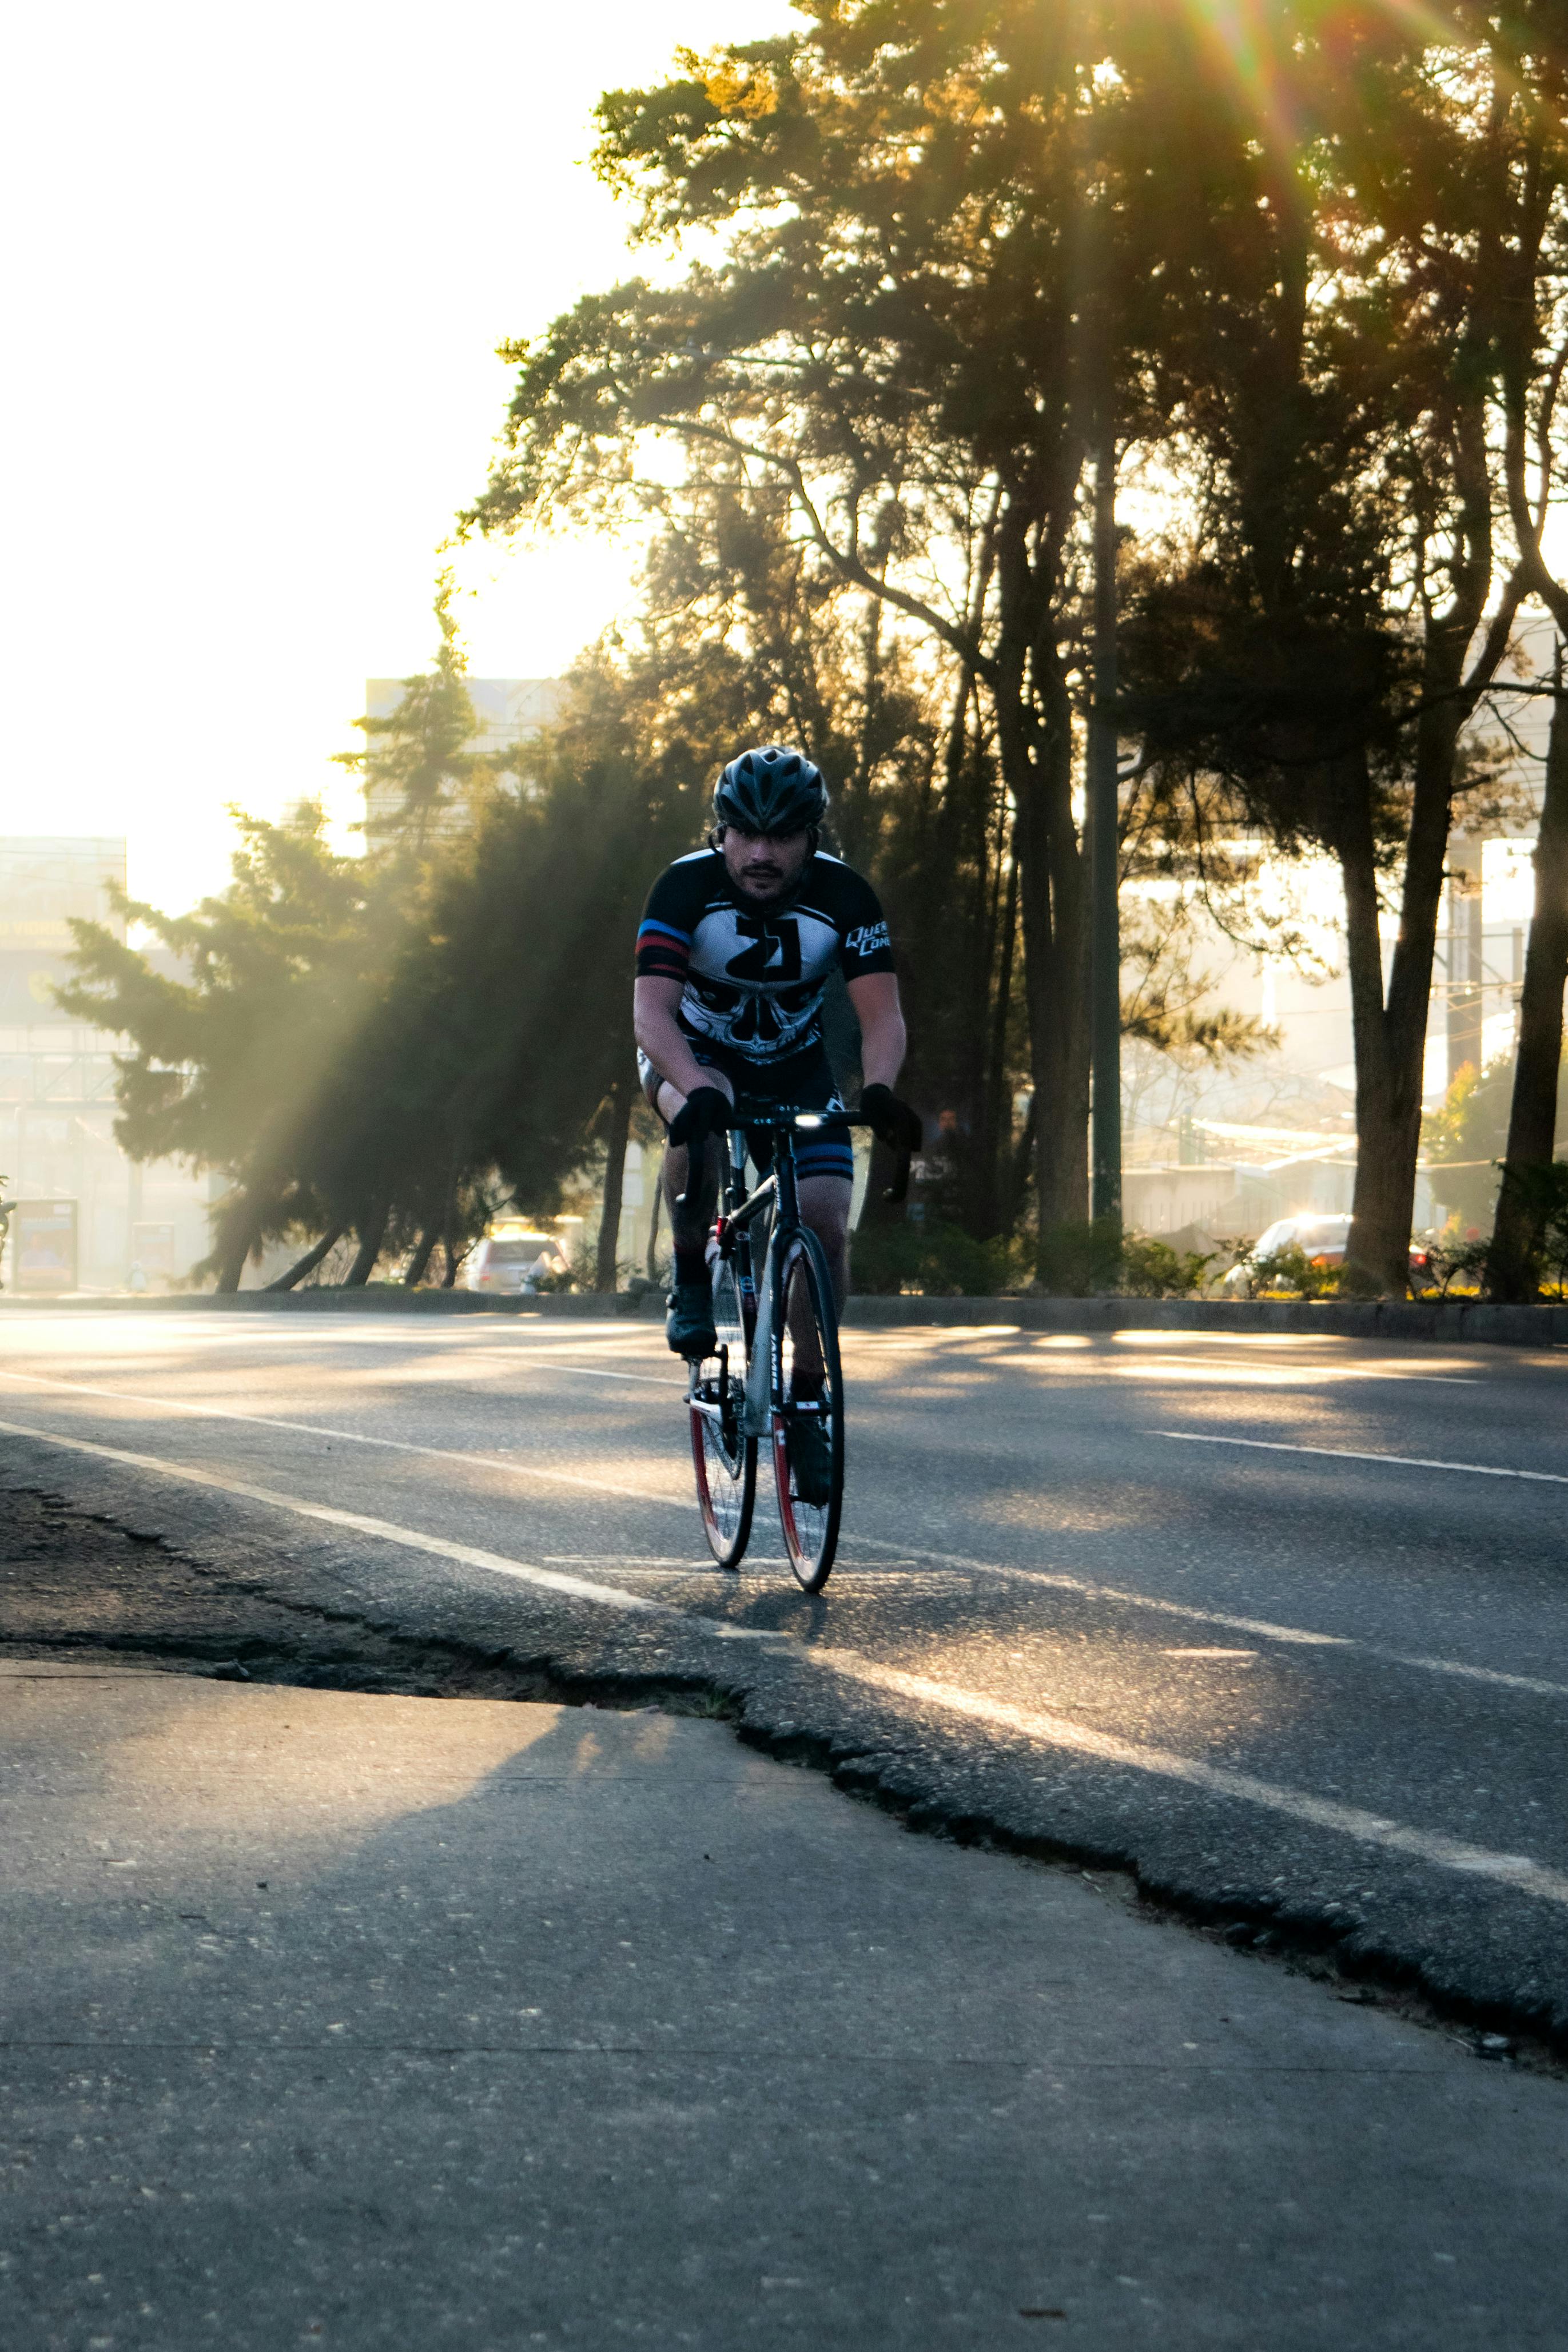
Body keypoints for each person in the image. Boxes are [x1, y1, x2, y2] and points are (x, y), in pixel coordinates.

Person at [633, 745, 922, 1376]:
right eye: (746, 834)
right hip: (693, 1054)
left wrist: (878, 1090)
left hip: (796, 1065)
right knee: (704, 1108)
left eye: (782, 836)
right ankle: (688, 1276)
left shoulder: (846, 895)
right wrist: (690, 1084)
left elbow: (882, 1015)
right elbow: (652, 1014)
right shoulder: (683, 887)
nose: (761, 855)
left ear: (811, 839)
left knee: (825, 1226)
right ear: (722, 833)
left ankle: (811, 1387)